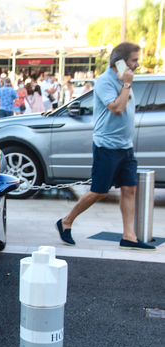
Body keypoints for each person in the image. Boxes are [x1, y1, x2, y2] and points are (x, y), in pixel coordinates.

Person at [56, 42, 155, 251]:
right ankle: (66, 221)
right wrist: (126, 84)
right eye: (134, 60)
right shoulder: (105, 81)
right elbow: (117, 109)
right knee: (99, 191)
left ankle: (129, 236)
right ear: (119, 61)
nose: (138, 64)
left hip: (126, 147)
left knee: (130, 190)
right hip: (107, 147)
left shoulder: (123, 79)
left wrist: (126, 82)